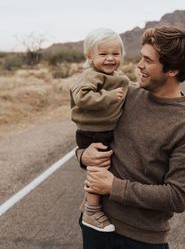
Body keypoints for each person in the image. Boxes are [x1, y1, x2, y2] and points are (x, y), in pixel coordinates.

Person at [76, 26, 185, 249]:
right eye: (141, 57)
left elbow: (177, 197)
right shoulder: (126, 94)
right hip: (92, 224)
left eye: (148, 60)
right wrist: (82, 155)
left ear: (173, 69)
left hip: (141, 239)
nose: (139, 65)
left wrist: (113, 187)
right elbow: (90, 133)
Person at [70, 28, 129, 232]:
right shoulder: (91, 76)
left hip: (106, 130)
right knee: (98, 168)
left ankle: (90, 201)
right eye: (103, 54)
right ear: (90, 56)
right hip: (92, 132)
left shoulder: (117, 75)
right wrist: (110, 97)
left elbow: (130, 89)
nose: (110, 59)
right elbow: (82, 98)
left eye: (115, 54)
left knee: (108, 166)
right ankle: (92, 210)